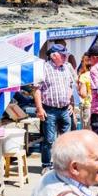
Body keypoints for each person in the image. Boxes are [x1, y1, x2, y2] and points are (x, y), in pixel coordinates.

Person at [34, 44, 77, 173]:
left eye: (65, 55)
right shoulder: (44, 68)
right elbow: (37, 90)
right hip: (49, 110)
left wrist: (71, 104)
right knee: (49, 140)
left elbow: (70, 86)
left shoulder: (66, 68)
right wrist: (39, 109)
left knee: (67, 140)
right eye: (63, 55)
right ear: (53, 56)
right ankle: (47, 165)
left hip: (65, 109)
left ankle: (65, 165)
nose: (65, 57)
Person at [77, 53, 92, 129]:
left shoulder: (84, 76)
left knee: (87, 130)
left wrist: (78, 88)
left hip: (87, 105)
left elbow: (83, 94)